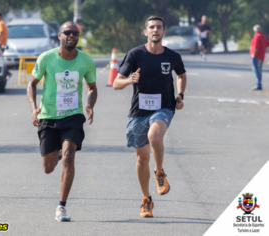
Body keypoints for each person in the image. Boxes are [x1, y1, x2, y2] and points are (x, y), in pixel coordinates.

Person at [113, 16, 187, 218]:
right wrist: (129, 80)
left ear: (164, 32)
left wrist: (180, 95)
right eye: (151, 27)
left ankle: (160, 172)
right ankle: (146, 199)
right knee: (141, 159)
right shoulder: (135, 54)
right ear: (146, 32)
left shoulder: (172, 56)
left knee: (155, 137)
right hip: (139, 111)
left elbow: (181, 75)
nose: (155, 30)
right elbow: (116, 83)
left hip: (164, 107)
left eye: (159, 27)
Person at [27, 21, 98, 222]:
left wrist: (90, 105)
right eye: (67, 32)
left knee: (69, 156)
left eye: (75, 33)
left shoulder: (86, 61)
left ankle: (61, 207)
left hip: (73, 116)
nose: (71, 36)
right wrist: (34, 109)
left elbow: (92, 88)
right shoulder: (46, 58)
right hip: (48, 117)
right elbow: (31, 84)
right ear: (59, 36)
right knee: (48, 168)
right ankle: (57, 153)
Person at [250, 24, 269, 90]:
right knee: (259, 71)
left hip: (256, 56)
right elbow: (267, 44)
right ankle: (259, 84)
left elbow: (256, 47)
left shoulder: (257, 36)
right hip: (261, 56)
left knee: (257, 71)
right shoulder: (263, 36)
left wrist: (254, 54)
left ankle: (258, 84)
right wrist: (263, 49)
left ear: (255, 31)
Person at [0, 12, 11, 77]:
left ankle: (6, 72)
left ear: (0, 17)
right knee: (0, 59)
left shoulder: (0, 23)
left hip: (0, 44)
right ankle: (6, 72)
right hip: (1, 44)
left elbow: (0, 33)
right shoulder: (1, 23)